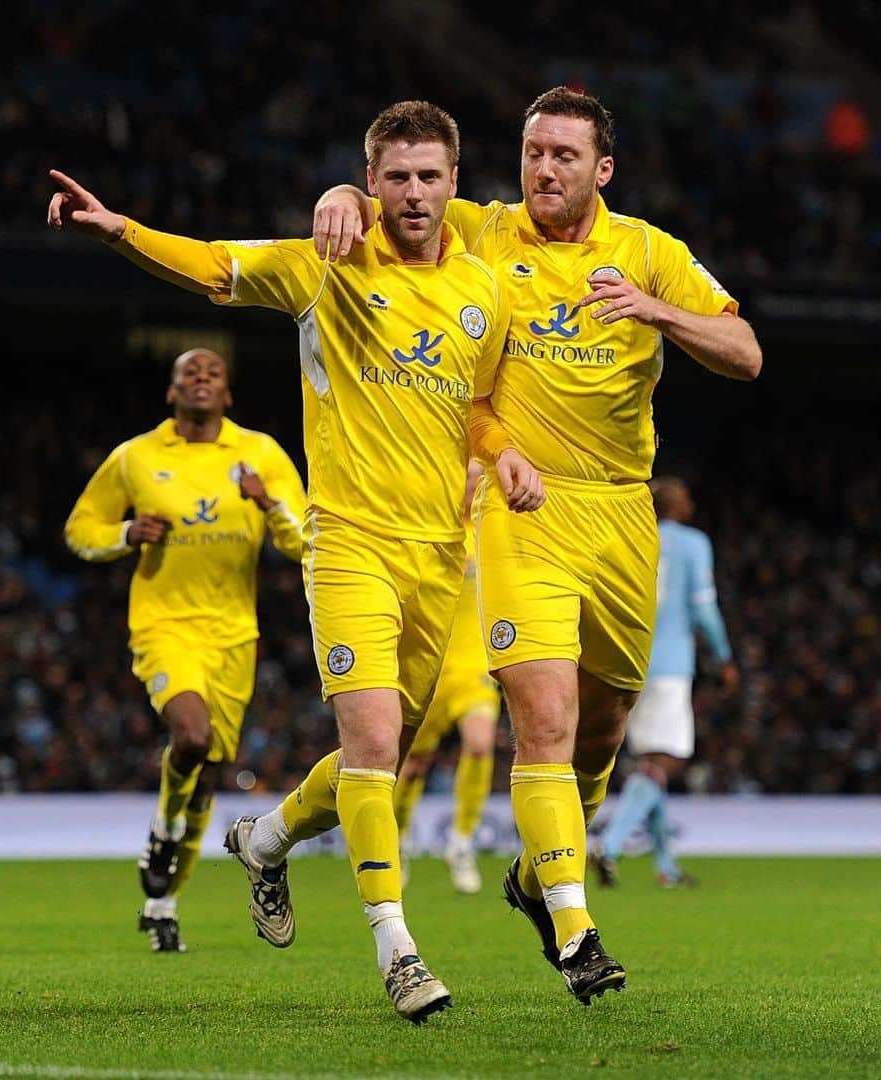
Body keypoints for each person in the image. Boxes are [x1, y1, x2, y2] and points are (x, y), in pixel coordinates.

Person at [47, 100, 543, 1023]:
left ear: (454, 183)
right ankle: (397, 948)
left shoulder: (488, 289)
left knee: (383, 759)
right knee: (370, 746)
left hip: (440, 556)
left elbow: (477, 409)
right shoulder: (328, 265)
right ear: (373, 177)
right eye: (393, 175)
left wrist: (504, 451)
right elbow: (215, 267)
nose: (412, 192)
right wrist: (119, 229)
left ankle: (265, 840)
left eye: (429, 175)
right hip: (349, 543)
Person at [311, 85, 762, 1003]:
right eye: (531, 152)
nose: (543, 169)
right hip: (524, 510)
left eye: (563, 155)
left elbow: (746, 351)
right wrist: (343, 196)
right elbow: (404, 198)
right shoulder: (484, 231)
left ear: (602, 170)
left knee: (599, 734)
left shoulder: (649, 253)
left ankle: (532, 872)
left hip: (624, 514)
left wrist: (655, 311)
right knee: (544, 725)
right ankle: (572, 924)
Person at [63, 347, 306, 953]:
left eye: (213, 373)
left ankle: (162, 901)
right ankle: (162, 836)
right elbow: (79, 529)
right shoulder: (136, 457)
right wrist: (125, 534)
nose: (201, 379)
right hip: (164, 624)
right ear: (171, 393)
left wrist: (269, 502)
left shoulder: (261, 454)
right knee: (191, 737)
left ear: (228, 395)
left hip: (234, 635)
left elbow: (307, 542)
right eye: (188, 373)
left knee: (204, 779)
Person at [590, 475, 738, 888]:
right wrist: (724, 657)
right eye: (688, 497)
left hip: (629, 662)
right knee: (667, 762)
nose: (692, 503)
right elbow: (704, 608)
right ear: (676, 506)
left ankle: (665, 867)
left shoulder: (630, 536)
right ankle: (610, 845)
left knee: (650, 764)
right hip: (670, 666)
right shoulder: (693, 543)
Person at [392, 460, 501, 895]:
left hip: (474, 666)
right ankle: (396, 840)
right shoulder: (428, 533)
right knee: (414, 764)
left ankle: (461, 841)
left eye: (479, 480)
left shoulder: (492, 535)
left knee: (479, 743)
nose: (473, 487)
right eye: (467, 480)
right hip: (429, 666)